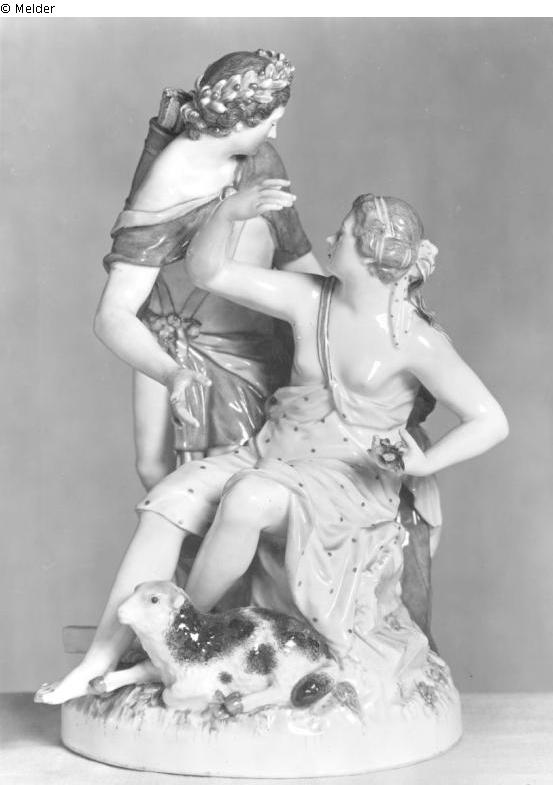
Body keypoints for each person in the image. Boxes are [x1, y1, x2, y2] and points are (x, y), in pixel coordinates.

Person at [35, 182, 508, 705]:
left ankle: (189, 633)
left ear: (373, 257)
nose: (330, 239)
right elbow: (210, 272)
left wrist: (424, 461)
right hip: (271, 451)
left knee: (249, 498)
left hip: (345, 480)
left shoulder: (415, 340)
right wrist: (229, 213)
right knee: (168, 499)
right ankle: (98, 659)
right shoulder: (310, 298)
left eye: (345, 235)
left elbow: (490, 420)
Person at [94, 50, 318, 492]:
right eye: (270, 121)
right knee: (158, 473)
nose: (274, 131)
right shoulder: (167, 183)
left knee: (248, 476)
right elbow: (111, 316)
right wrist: (170, 373)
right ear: (239, 119)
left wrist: (348, 308)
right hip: (174, 350)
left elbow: (295, 255)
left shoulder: (260, 159)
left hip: (257, 345)